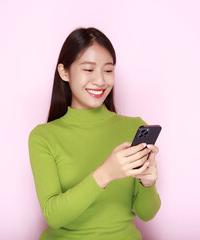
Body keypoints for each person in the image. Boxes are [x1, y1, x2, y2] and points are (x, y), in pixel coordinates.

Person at [28, 27, 161, 240]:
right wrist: (106, 173)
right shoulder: (43, 137)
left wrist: (148, 183)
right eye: (88, 69)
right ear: (64, 72)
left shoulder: (134, 128)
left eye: (108, 70)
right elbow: (54, 216)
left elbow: (147, 214)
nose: (100, 81)